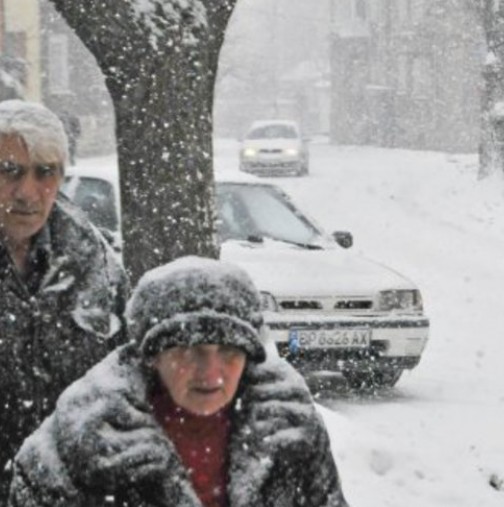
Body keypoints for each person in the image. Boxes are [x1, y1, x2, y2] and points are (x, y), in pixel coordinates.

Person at [8, 256, 348, 507]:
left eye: (229, 350)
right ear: (151, 356)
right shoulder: (76, 445)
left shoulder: (292, 431)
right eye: (189, 350)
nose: (211, 371)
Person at [0, 100, 129, 503]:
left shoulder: (96, 264)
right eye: (10, 171)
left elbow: (128, 382)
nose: (28, 192)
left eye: (45, 172)